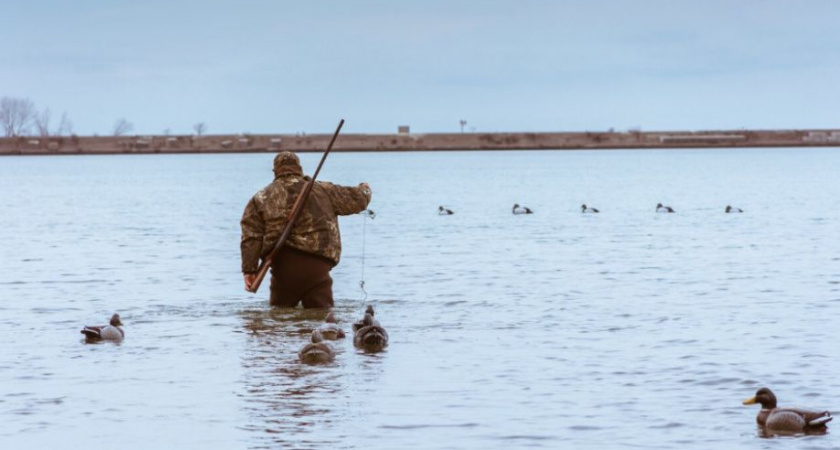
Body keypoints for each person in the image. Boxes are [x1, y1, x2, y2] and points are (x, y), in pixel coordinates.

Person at [240, 151, 372, 308]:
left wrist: (249, 270)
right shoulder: (323, 190)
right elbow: (357, 199)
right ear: (299, 168)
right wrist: (365, 188)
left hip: (283, 268)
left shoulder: (260, 198)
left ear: (275, 171)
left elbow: (251, 237)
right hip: (318, 267)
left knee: (280, 321)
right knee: (323, 322)